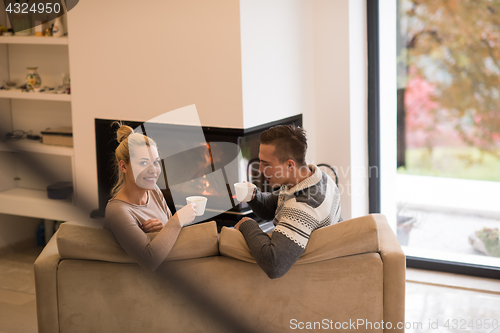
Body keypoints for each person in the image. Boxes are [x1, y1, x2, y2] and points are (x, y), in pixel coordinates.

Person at [234, 125, 342, 279]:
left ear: (290, 165)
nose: (261, 170)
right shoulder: (318, 177)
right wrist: (254, 195)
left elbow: (274, 264)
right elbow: (275, 204)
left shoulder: (303, 206)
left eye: (267, 164)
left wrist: (248, 224)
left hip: (309, 275)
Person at [104, 123, 197, 272]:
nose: (153, 170)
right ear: (124, 166)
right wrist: (177, 220)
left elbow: (171, 239)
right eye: (143, 163)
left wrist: (160, 231)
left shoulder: (153, 190)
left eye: (156, 162)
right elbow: (149, 260)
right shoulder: (117, 211)